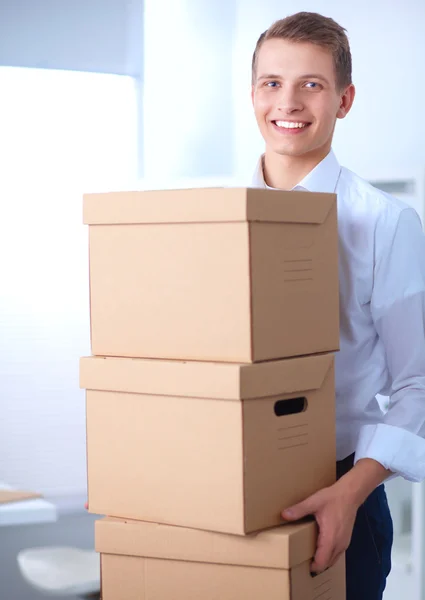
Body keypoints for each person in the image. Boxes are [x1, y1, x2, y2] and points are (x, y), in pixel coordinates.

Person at [250, 11, 425, 600]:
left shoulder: (386, 223)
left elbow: (419, 383)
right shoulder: (219, 222)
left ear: (344, 101)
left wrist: (350, 494)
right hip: (235, 487)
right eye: (272, 82)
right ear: (253, 94)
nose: (288, 102)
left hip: (341, 495)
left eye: (312, 84)